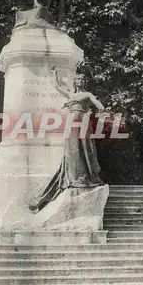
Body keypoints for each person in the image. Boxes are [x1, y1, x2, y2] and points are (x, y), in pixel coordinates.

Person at [28, 67, 105, 213]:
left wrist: (96, 108)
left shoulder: (87, 94)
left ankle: (85, 176)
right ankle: (74, 176)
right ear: (75, 82)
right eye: (78, 79)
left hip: (82, 121)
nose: (80, 81)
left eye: (82, 79)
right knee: (73, 150)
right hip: (72, 123)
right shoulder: (70, 94)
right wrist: (55, 73)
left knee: (84, 147)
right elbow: (57, 87)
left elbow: (98, 105)